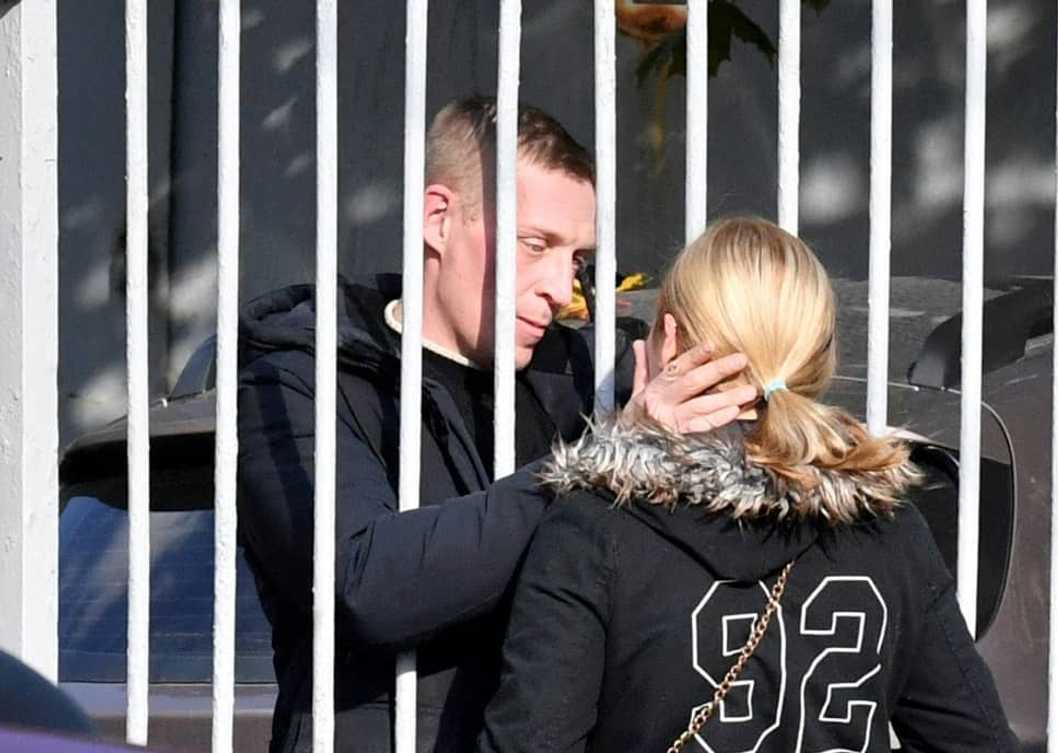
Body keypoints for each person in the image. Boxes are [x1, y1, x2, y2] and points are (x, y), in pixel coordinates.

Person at [236, 97, 757, 753]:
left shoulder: (583, 375)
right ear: (438, 219)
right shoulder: (303, 377)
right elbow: (363, 584)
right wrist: (608, 458)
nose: (560, 288)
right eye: (535, 244)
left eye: (576, 259)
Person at [478, 217, 1020, 753]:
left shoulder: (595, 528)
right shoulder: (887, 526)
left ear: (668, 342)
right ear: (820, 356)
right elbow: (977, 738)